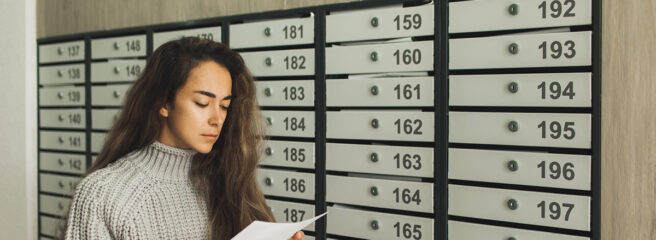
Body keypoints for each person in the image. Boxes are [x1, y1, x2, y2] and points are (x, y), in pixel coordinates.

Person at [61, 37, 305, 240]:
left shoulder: (226, 181)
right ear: (164, 102)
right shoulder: (102, 194)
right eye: (202, 103)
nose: (216, 119)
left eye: (224, 106)